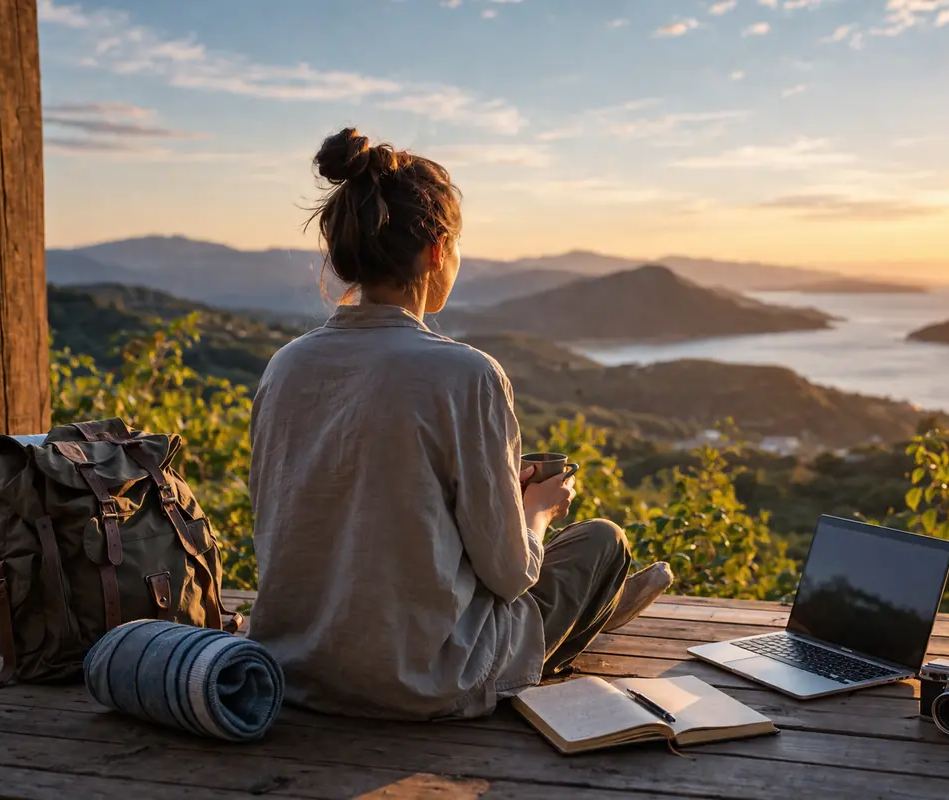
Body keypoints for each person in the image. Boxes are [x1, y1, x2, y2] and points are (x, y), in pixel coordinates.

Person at [246, 127, 673, 721]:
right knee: (603, 542)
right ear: (438, 248)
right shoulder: (465, 374)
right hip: (422, 680)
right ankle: (582, 620)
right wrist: (535, 512)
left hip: (293, 668)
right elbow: (509, 573)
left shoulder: (286, 366)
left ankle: (591, 610)